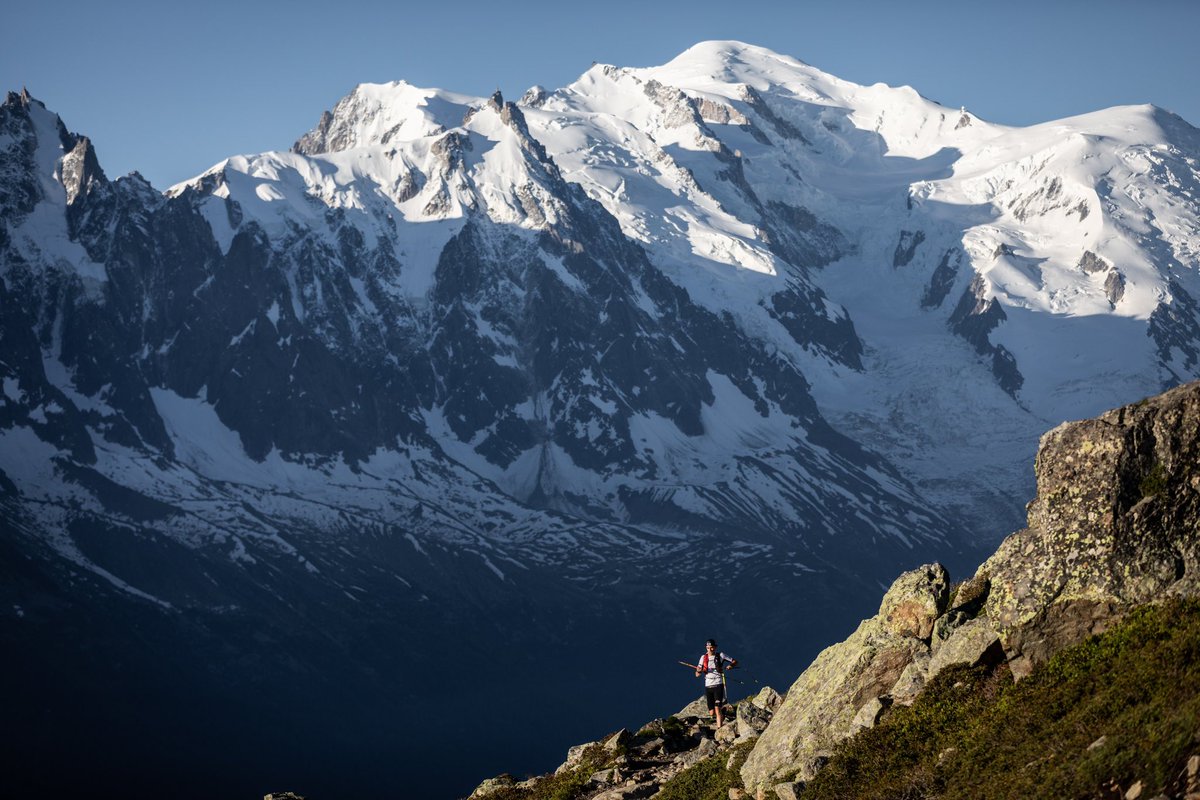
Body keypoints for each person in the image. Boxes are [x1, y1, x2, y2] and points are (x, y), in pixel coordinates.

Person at [695, 638, 738, 728]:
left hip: (718, 683)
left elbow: (734, 661)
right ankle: (723, 713)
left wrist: (730, 666)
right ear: (706, 648)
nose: (710, 650)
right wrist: (698, 671)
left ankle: (719, 729)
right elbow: (697, 675)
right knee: (712, 712)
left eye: (712, 648)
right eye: (708, 648)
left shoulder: (721, 655)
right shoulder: (703, 658)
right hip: (708, 685)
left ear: (715, 647)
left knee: (717, 708)